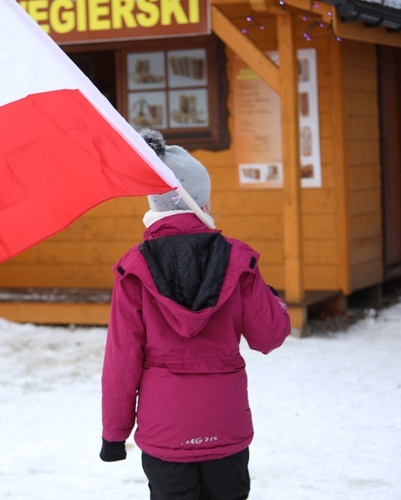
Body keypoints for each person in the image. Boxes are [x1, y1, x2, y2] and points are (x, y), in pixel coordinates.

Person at [99, 129, 291, 500]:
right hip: (225, 426)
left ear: (155, 204)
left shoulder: (134, 267)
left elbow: (121, 361)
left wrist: (114, 434)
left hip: (165, 431)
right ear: (200, 199)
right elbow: (270, 335)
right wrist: (270, 296)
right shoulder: (237, 259)